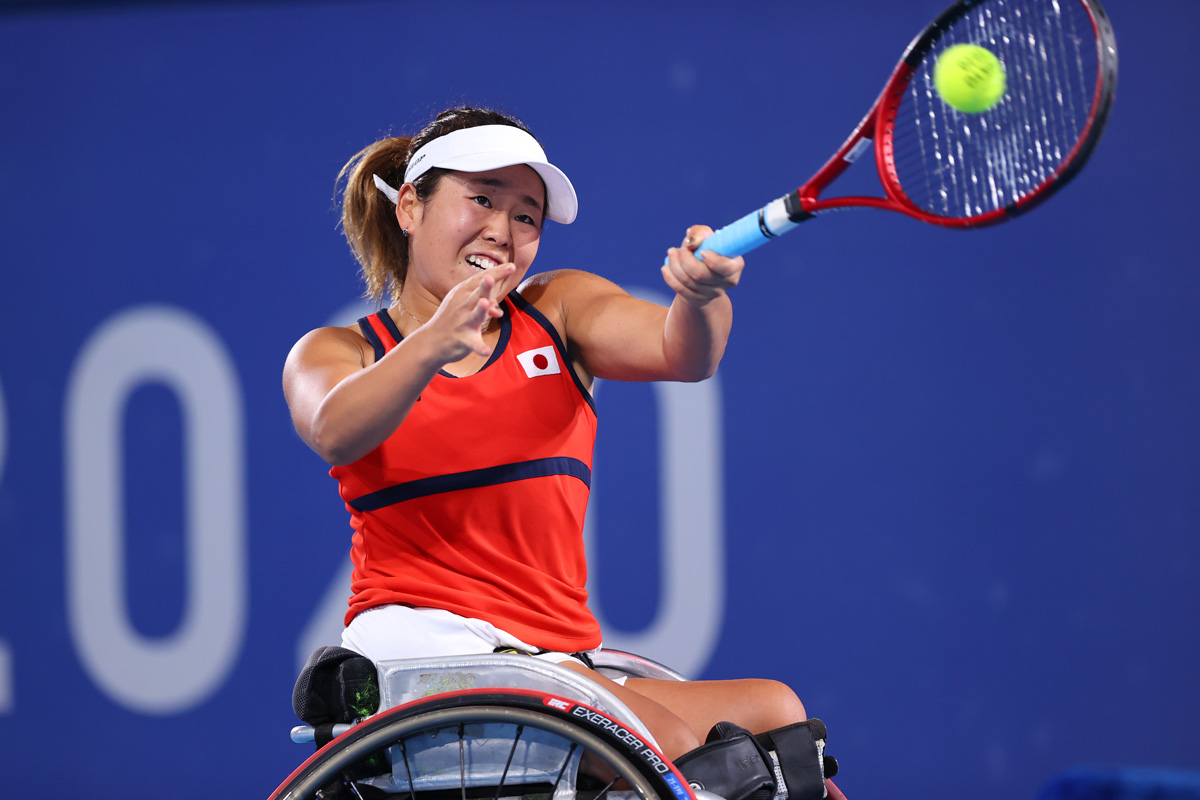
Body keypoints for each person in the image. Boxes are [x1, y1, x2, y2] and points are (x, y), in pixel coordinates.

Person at [283, 106, 806, 762]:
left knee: (776, 715)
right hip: (423, 651)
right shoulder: (338, 350)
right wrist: (432, 344)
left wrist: (700, 298)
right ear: (410, 207)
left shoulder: (557, 309)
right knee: (658, 748)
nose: (502, 231)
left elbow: (684, 354)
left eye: (526, 216)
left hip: (550, 662)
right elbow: (332, 429)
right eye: (481, 199)